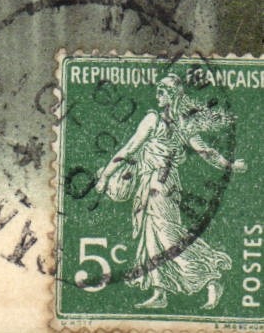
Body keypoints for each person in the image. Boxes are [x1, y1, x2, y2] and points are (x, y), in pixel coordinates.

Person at [94, 73, 247, 309]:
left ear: (172, 95)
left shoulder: (155, 120)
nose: (157, 96)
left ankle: (210, 277)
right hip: (157, 184)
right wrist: (230, 165)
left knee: (167, 237)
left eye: (162, 92)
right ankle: (160, 292)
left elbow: (130, 149)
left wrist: (105, 176)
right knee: (152, 236)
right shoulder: (181, 124)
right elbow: (205, 153)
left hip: (159, 185)